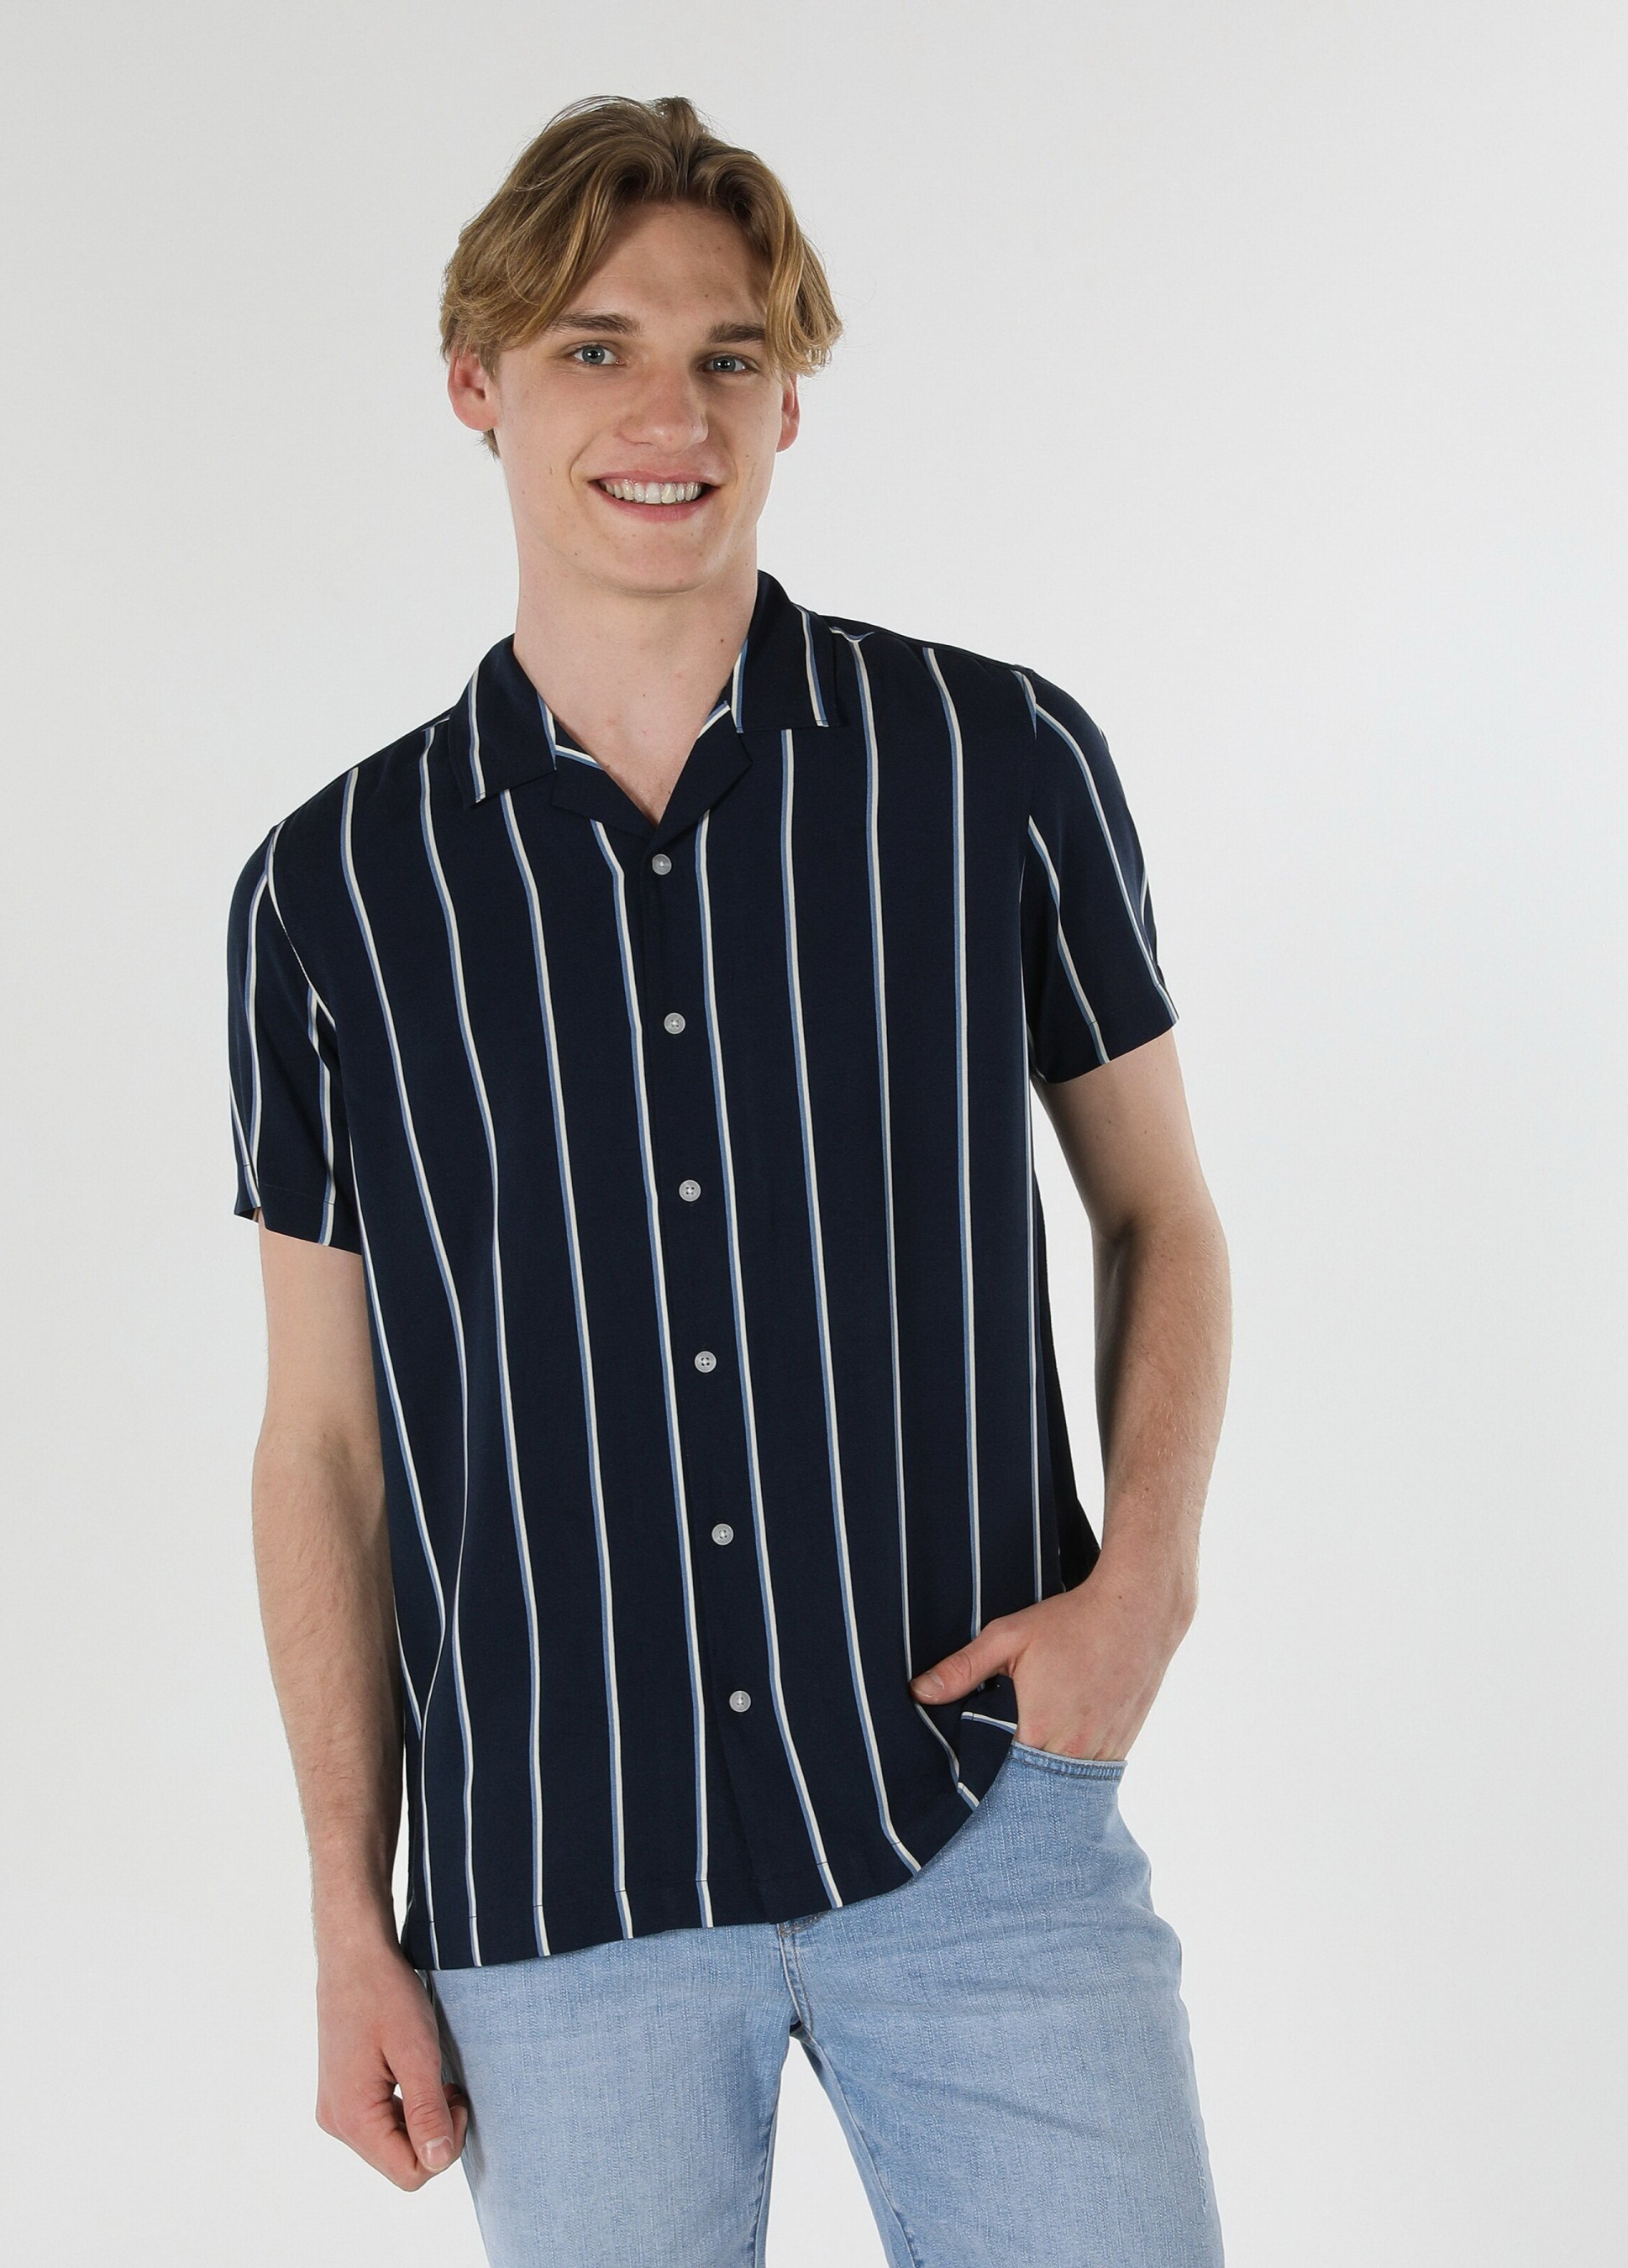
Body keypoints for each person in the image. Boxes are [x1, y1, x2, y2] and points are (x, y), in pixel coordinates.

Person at [226, 92, 1232, 2268]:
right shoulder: (334, 892)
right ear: (476, 384)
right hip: (554, 1893)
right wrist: (344, 1916)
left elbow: (1160, 1211)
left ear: (790, 395)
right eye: (595, 348)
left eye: (728, 355)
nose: (667, 415)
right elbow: (323, 1443)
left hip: (977, 1825)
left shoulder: (993, 764)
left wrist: (1143, 1580)